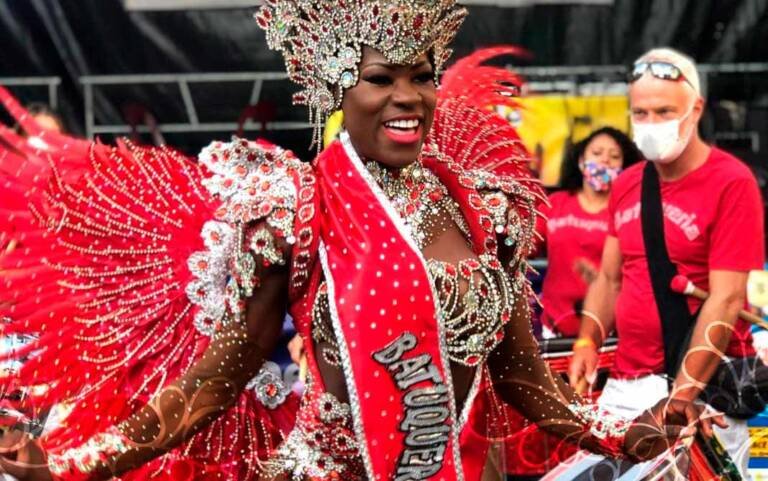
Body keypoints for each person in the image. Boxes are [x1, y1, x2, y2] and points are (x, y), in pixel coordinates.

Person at [0, 5, 720, 481]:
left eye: (422, 77)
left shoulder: (484, 212)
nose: (408, 97)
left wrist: (629, 433)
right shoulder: (294, 209)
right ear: (337, 94)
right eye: (381, 79)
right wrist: (65, 465)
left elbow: (527, 385)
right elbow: (203, 393)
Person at [568, 47, 765, 477]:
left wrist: (679, 399)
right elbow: (608, 278)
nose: (651, 124)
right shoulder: (625, 185)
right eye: (640, 113)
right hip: (622, 387)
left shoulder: (732, 183)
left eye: (663, 111)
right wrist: (588, 340)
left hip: (697, 396)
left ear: (695, 109)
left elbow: (727, 299)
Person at [539, 127, 641, 338]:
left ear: (624, 167)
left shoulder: (628, 211)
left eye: (614, 157)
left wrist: (601, 280)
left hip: (607, 327)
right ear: (581, 161)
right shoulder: (555, 203)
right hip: (554, 325)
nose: (605, 160)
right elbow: (524, 247)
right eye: (597, 153)